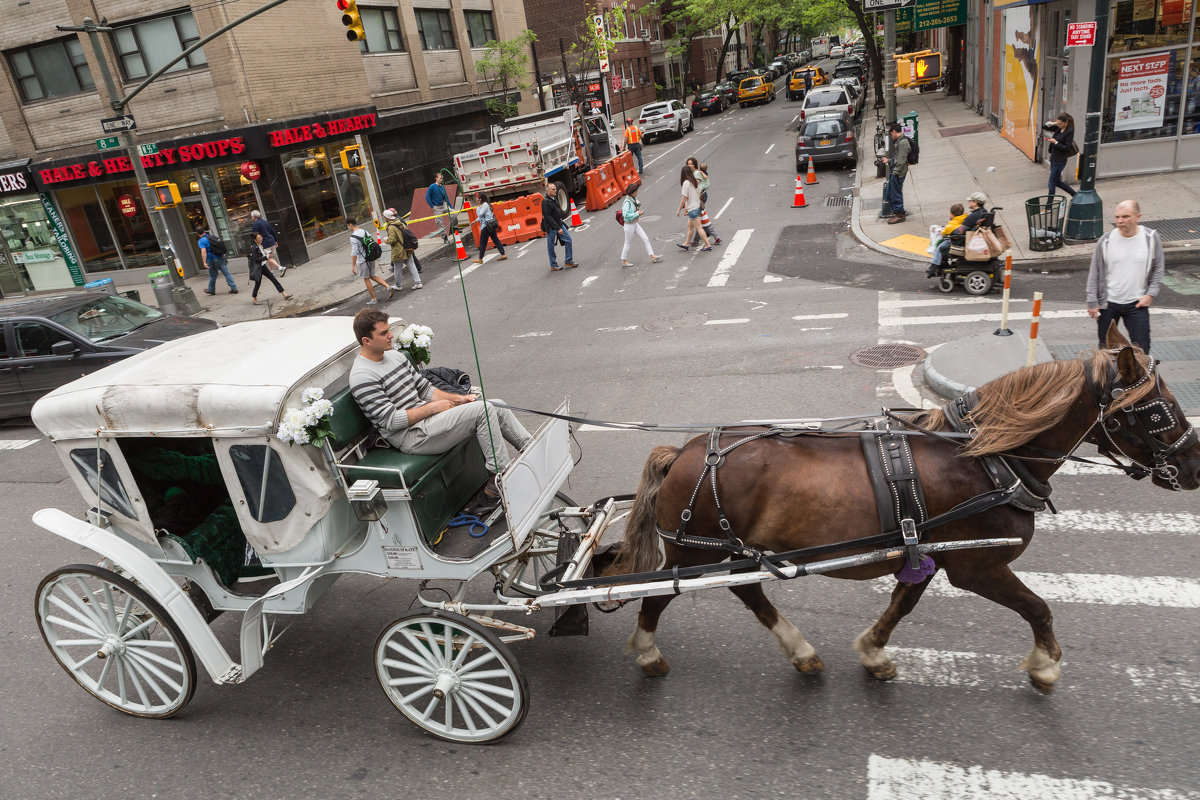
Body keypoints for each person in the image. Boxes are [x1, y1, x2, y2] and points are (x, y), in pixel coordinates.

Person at [349, 309, 532, 499]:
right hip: (411, 436)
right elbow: (391, 421)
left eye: (389, 330)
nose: (390, 336)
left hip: (430, 421)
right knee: (483, 411)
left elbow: (426, 390)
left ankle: (533, 450)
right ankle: (498, 480)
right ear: (366, 341)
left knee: (496, 405)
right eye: (383, 333)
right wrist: (432, 408)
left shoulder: (395, 356)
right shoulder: (362, 377)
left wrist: (459, 399)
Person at [1085, 200, 1164, 354]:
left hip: (1137, 303)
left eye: (1126, 216)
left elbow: (1158, 268)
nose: (1120, 221)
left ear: (1138, 216)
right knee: (1106, 350)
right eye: (1117, 217)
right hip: (1108, 304)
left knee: (1142, 349)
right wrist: (1092, 302)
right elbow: (1094, 271)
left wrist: (1150, 294)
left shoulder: (1150, 238)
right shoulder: (1106, 240)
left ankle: (1140, 378)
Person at [346, 217, 395, 305]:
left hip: (363, 260)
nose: (348, 228)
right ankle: (388, 287)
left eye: (348, 226)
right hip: (371, 257)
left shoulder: (353, 237)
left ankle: (373, 298)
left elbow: (354, 252)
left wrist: (353, 266)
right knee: (372, 275)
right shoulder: (365, 231)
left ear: (350, 225)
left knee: (366, 278)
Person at [620, 182, 662, 267]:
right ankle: (624, 260)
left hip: (634, 223)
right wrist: (637, 214)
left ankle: (652, 256)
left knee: (645, 239)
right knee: (627, 243)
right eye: (636, 191)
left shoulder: (632, 200)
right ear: (632, 192)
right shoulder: (627, 202)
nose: (637, 193)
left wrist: (637, 212)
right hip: (629, 225)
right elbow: (625, 215)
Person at [683, 158, 721, 246]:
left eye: (691, 164)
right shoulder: (692, 173)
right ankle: (698, 240)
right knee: (699, 220)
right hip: (697, 198)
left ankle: (715, 237)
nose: (689, 165)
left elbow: (695, 186)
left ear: (695, 165)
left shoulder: (696, 173)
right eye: (688, 164)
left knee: (697, 220)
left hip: (700, 197)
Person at [382, 208, 422, 291]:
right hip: (407, 248)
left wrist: (386, 240)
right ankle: (418, 282)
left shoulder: (391, 227)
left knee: (397, 268)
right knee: (412, 265)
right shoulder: (400, 222)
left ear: (387, 218)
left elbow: (392, 240)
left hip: (398, 250)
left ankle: (398, 285)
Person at [540, 184, 578, 271]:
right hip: (552, 227)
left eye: (555, 189)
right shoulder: (545, 202)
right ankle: (553, 264)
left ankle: (568, 260)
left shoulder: (554, 198)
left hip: (559, 224)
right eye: (553, 189)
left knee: (568, 240)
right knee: (551, 246)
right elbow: (548, 217)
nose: (555, 191)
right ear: (548, 191)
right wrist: (558, 228)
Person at [246, 232, 291, 305]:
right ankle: (254, 299)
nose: (261, 239)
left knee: (274, 279)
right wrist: (266, 257)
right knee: (257, 284)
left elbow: (262, 253)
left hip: (263, 266)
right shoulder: (254, 248)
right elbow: (256, 260)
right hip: (258, 268)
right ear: (255, 240)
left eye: (261, 237)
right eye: (259, 238)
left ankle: (284, 294)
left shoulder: (259, 245)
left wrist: (267, 254)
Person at [675, 165, 712, 251]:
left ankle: (708, 245)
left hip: (692, 209)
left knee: (699, 228)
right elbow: (699, 194)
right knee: (690, 226)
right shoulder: (695, 181)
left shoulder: (686, 183)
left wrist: (679, 209)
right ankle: (686, 244)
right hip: (697, 207)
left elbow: (684, 198)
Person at [881, 123, 911, 224]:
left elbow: (901, 160)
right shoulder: (900, 141)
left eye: (891, 134)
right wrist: (888, 161)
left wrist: (895, 172)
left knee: (896, 193)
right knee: (891, 193)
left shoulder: (903, 142)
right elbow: (897, 158)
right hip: (896, 171)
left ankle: (900, 215)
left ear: (894, 131)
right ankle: (897, 212)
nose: (891, 137)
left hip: (898, 173)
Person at [1043, 113, 1077, 198]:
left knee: (1051, 184)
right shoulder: (1058, 128)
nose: (1058, 125)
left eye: (1060, 123)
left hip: (1060, 160)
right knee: (1057, 182)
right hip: (1053, 158)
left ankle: (1049, 206)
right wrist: (1052, 123)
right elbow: (1044, 127)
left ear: (1066, 122)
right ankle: (1075, 195)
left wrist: (1056, 142)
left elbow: (1066, 147)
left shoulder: (1069, 131)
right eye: (1057, 123)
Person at [927, 202, 968, 274]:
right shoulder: (964, 218)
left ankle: (934, 266)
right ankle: (942, 263)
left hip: (954, 241)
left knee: (940, 247)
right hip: (959, 239)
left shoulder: (953, 223)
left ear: (952, 214)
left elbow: (944, 232)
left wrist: (941, 230)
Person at [197, 226, 237, 295]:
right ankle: (234, 288)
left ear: (197, 234)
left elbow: (203, 252)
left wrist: (204, 262)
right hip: (220, 257)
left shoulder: (201, 241)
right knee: (227, 273)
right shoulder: (212, 237)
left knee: (213, 275)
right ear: (204, 231)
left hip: (212, 260)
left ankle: (211, 290)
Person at [472, 192, 507, 264]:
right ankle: (503, 254)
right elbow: (483, 216)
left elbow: (480, 214)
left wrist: (478, 206)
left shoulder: (484, 205)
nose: (476, 199)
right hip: (490, 225)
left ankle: (480, 259)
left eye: (477, 197)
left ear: (479, 199)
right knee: (495, 240)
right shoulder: (486, 204)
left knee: (483, 242)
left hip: (486, 226)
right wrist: (475, 221)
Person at [250, 210, 285, 276]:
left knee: (268, 258)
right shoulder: (265, 221)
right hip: (272, 241)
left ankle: (280, 268)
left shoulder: (256, 224)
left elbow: (254, 235)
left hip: (265, 243)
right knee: (271, 257)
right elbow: (272, 231)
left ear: (254, 217)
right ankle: (272, 271)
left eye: (251, 216)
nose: (251, 217)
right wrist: (275, 240)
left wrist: (252, 244)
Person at [425, 173, 452, 242]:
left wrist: (451, 207)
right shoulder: (432, 186)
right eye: (440, 178)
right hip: (437, 207)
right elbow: (427, 197)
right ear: (436, 178)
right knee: (439, 222)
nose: (441, 180)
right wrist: (432, 206)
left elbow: (446, 198)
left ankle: (455, 228)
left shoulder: (442, 187)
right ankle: (445, 237)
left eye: (442, 178)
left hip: (444, 205)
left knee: (453, 214)